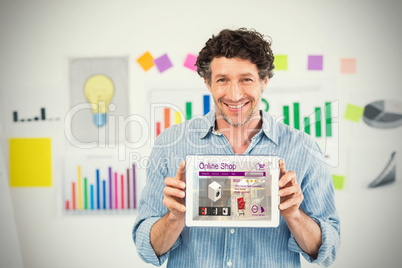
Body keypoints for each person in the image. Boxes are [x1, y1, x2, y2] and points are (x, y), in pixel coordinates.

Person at [133, 28, 340, 267]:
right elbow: (146, 248)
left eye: (246, 79)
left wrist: (294, 215)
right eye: (222, 80)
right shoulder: (170, 144)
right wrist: (174, 218)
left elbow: (328, 250)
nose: (234, 94)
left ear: (264, 81)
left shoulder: (304, 148)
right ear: (207, 83)